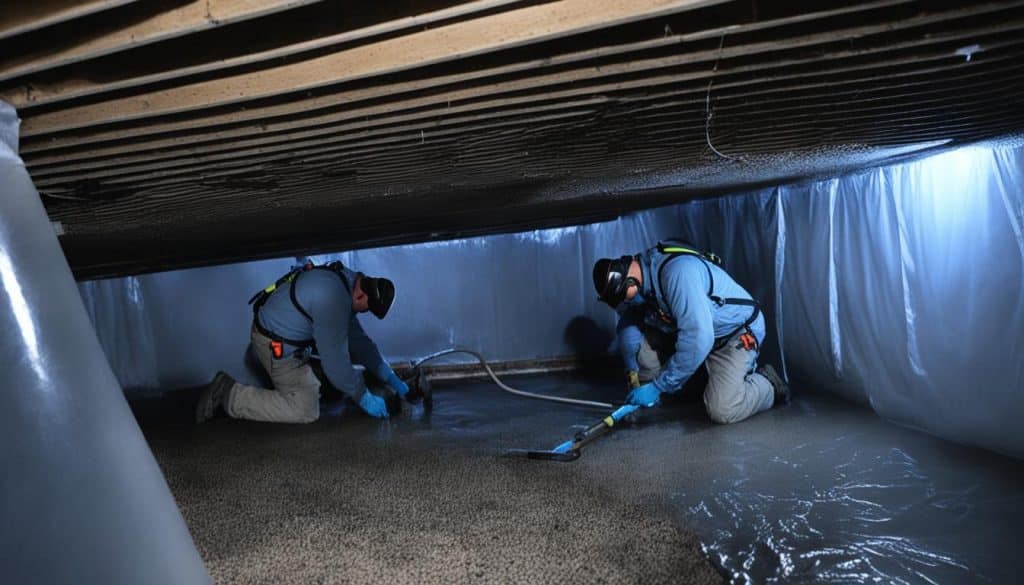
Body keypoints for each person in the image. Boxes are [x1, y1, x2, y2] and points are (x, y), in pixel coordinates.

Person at [592, 240, 789, 424]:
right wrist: (632, 376)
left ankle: (769, 385)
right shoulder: (642, 280)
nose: (626, 304)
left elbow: (698, 338)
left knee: (722, 408)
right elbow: (628, 330)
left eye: (624, 299)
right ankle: (685, 384)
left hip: (734, 336)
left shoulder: (677, 273)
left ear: (628, 282)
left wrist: (658, 387)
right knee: (644, 347)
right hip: (703, 337)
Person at [195, 260, 409, 423]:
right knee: (306, 409)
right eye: (367, 310)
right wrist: (363, 397)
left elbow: (358, 342)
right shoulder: (334, 299)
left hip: (293, 344)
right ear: (362, 297)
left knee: (337, 388)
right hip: (276, 348)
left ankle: (312, 382)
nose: (364, 313)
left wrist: (390, 377)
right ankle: (229, 394)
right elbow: (335, 365)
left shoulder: (345, 282)